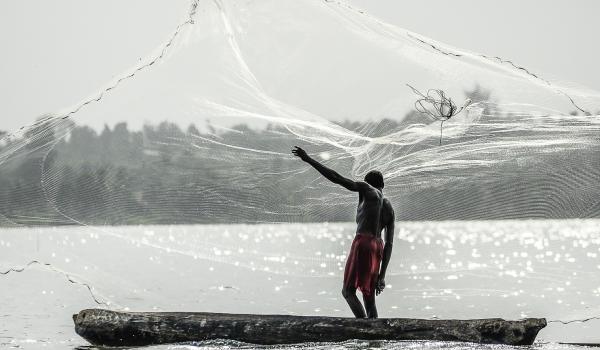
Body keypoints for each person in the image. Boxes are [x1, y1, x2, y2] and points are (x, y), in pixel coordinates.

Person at [292, 146, 394, 319]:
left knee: (348, 291)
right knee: (369, 299)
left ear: (366, 185)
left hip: (363, 243)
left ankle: (363, 328)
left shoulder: (367, 189)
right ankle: (374, 336)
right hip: (378, 247)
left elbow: (337, 178)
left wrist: (308, 159)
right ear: (383, 185)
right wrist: (382, 276)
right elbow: (389, 244)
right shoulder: (389, 208)